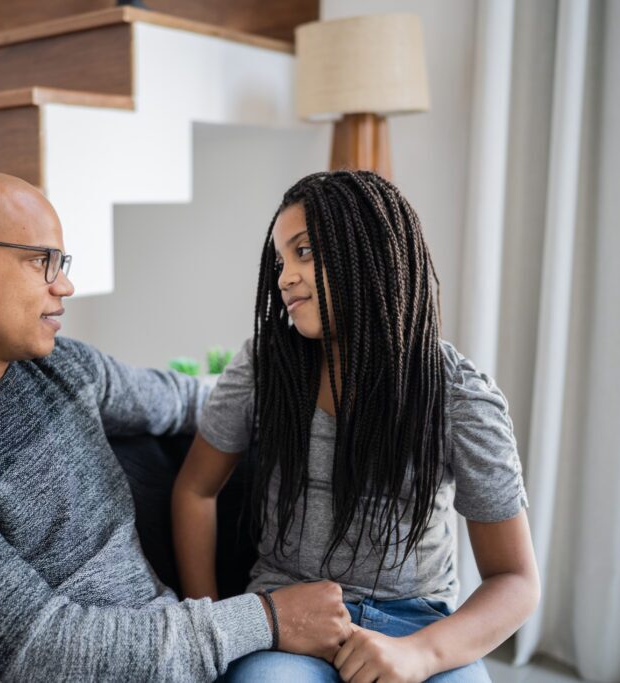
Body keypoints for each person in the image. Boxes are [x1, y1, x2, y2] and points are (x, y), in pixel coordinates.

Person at [0, 171, 355, 682]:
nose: (64, 285)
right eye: (40, 260)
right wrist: (266, 619)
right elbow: (49, 650)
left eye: (61, 263)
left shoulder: (59, 366)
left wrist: (336, 397)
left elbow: (191, 401)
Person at [172, 170, 541, 682]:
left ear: (368, 255)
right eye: (281, 260)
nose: (284, 277)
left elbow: (516, 579)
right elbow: (195, 489)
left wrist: (423, 655)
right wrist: (210, 630)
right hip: (288, 621)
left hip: (417, 625)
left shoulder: (460, 395)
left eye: (303, 252)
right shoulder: (263, 368)